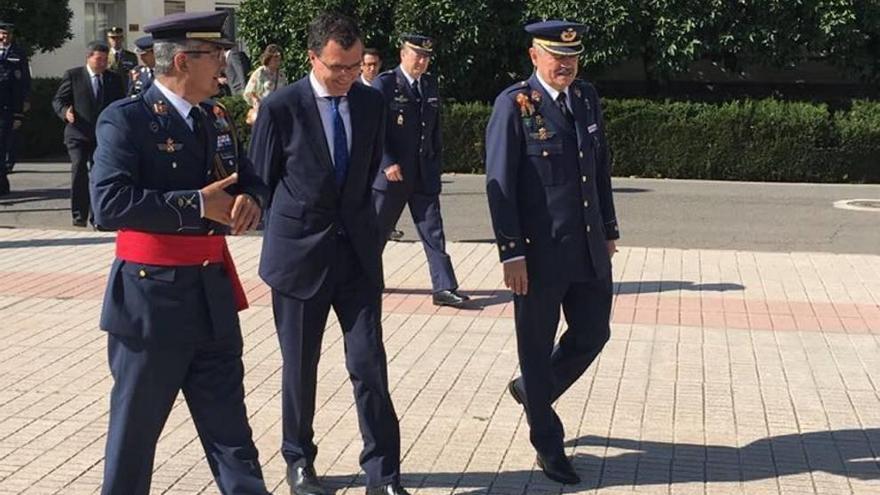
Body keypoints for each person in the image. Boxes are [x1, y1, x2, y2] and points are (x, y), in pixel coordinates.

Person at [89, 10, 271, 495]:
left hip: (211, 295)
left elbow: (247, 176)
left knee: (232, 433)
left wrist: (251, 198)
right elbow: (107, 204)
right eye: (216, 56)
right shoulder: (126, 119)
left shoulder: (215, 116)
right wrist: (196, 205)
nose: (224, 65)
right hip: (152, 298)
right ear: (184, 61)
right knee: (136, 433)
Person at [249, 12, 410, 495]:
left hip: (357, 256)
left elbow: (369, 171)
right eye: (337, 67)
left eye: (356, 66)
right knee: (301, 367)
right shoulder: (282, 107)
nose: (347, 77)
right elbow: (259, 181)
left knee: (368, 365)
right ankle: (300, 461)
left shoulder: (370, 103)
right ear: (313, 57)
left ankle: (383, 474)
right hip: (299, 259)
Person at [484, 20, 620, 485]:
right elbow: (498, 182)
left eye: (573, 57)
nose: (566, 65)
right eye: (556, 57)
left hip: (586, 247)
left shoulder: (586, 98)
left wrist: (608, 229)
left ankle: (531, 391)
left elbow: (599, 169)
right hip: (539, 257)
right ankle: (547, 442)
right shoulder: (515, 105)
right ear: (534, 56)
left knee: (593, 333)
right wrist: (511, 253)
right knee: (536, 350)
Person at [372, 34, 469, 307]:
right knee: (377, 231)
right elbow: (375, 130)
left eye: (426, 57)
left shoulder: (429, 84)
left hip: (423, 172)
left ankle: (444, 287)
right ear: (403, 55)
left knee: (433, 230)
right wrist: (387, 162)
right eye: (418, 55)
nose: (422, 61)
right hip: (393, 175)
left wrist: (436, 162)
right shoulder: (386, 83)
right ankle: (363, 279)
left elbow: (434, 128)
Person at [52, 41, 125, 227]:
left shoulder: (113, 79)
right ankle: (79, 214)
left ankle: (97, 215)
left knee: (99, 175)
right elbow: (58, 99)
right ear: (89, 57)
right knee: (79, 170)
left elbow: (120, 106)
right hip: (77, 133)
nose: (102, 64)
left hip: (102, 136)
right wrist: (65, 112)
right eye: (98, 59)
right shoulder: (74, 75)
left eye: (105, 60)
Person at [0, 21, 30, 176]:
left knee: (6, 138)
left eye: (7, 34)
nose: (4, 37)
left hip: (9, 102)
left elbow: (24, 79)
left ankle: (6, 165)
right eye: (1, 33)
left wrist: (25, 100)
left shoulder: (18, 53)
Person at [242, 44, 287, 124]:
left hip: (278, 109)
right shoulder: (260, 72)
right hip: (263, 109)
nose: (278, 62)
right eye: (275, 59)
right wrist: (256, 101)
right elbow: (249, 91)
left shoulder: (281, 74)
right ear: (269, 59)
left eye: (279, 60)